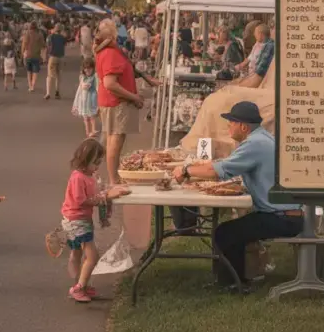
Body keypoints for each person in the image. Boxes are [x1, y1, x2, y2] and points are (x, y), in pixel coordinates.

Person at [172, 101, 302, 286]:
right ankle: (235, 280)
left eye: (231, 122)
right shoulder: (263, 138)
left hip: (282, 218)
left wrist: (186, 171)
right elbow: (224, 166)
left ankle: (232, 284)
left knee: (225, 233)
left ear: (243, 126)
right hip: (287, 212)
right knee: (231, 231)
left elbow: (217, 170)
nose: (228, 126)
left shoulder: (254, 144)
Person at [61, 139, 131, 303]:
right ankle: (78, 288)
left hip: (78, 220)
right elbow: (81, 200)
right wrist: (105, 196)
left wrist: (110, 190)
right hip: (77, 221)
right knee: (92, 256)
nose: (98, 167)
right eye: (96, 163)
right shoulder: (78, 178)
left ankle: (81, 283)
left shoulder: (88, 175)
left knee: (77, 254)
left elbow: (96, 191)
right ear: (84, 161)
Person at [94, 19, 143, 185]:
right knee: (115, 139)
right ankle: (114, 179)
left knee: (112, 139)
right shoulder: (110, 53)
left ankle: (114, 177)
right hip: (116, 102)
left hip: (111, 101)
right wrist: (133, 96)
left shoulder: (107, 51)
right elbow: (110, 83)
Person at [233, 23, 275, 88]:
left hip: (257, 80)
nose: (254, 35)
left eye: (255, 33)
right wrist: (239, 66)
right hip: (251, 75)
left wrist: (240, 85)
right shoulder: (257, 44)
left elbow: (259, 73)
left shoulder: (269, 46)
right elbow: (250, 58)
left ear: (261, 34)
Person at [71, 58, 99, 138]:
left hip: (91, 98)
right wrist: (83, 85)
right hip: (83, 99)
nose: (87, 70)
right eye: (85, 68)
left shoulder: (94, 76)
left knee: (92, 115)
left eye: (89, 68)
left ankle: (93, 130)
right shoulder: (82, 77)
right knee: (85, 117)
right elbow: (81, 86)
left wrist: (99, 97)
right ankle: (88, 132)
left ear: (93, 68)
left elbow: (97, 87)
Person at [44, 23, 67, 100]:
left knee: (49, 76)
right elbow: (64, 46)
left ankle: (48, 93)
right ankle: (57, 92)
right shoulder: (63, 38)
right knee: (58, 75)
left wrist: (45, 57)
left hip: (53, 57)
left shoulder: (50, 37)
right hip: (61, 57)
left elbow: (47, 46)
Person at [21, 21, 44, 93]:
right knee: (35, 72)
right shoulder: (39, 35)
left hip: (28, 55)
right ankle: (33, 86)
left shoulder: (27, 34)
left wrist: (22, 53)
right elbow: (43, 45)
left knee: (29, 72)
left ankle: (30, 85)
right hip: (36, 55)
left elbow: (24, 44)